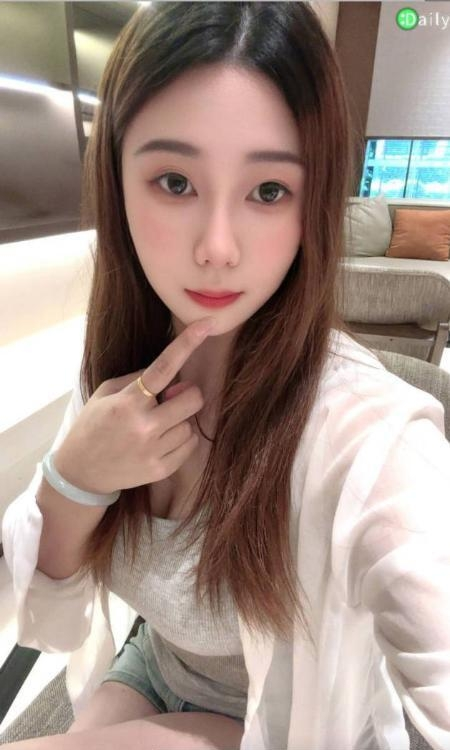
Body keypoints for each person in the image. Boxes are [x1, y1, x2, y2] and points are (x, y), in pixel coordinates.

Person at [2, 2, 450, 749]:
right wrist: (75, 477)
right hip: (154, 667)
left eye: (268, 191)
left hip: (289, 718)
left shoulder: (373, 441)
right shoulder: (125, 370)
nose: (217, 247)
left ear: (313, 203)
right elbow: (43, 604)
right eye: (175, 181)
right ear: (116, 180)